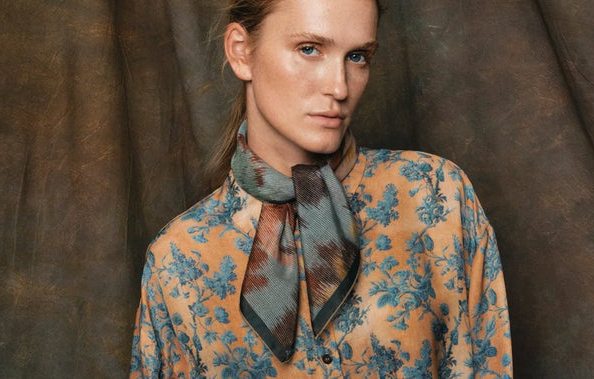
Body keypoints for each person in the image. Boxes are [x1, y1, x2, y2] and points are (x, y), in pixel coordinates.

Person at [129, 0, 512, 377]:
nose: (339, 87)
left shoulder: (435, 196)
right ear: (241, 52)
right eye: (309, 49)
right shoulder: (178, 261)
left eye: (358, 56)